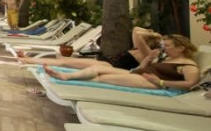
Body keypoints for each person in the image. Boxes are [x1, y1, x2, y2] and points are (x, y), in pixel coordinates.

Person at [44, 34, 200, 92]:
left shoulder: (188, 65)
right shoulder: (167, 59)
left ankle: (66, 79)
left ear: (181, 48)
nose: (164, 49)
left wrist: (159, 82)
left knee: (102, 78)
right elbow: (141, 68)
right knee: (97, 67)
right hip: (138, 73)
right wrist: (147, 60)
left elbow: (190, 84)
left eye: (168, 46)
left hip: (151, 82)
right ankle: (65, 76)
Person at [20, 26, 162, 69]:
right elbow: (136, 31)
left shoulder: (146, 53)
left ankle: (28, 60)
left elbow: (136, 31)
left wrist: (153, 35)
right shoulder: (139, 49)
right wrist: (153, 34)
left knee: (64, 62)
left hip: (109, 66)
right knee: (64, 61)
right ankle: (28, 60)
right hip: (105, 62)